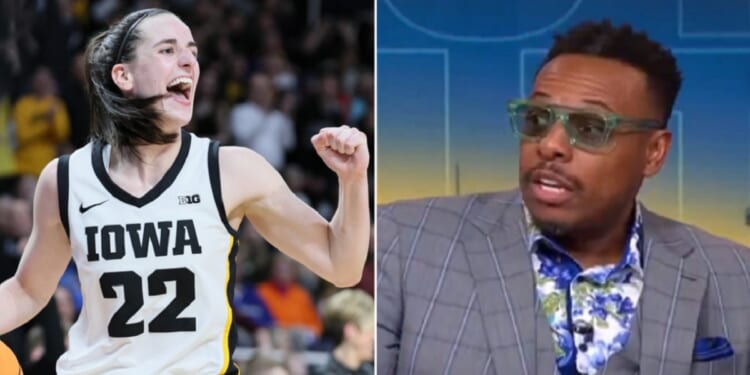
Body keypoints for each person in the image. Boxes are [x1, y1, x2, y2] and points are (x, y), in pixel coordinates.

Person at [0, 8, 370, 375]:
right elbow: (27, 291)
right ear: (123, 75)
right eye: (168, 50)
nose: (189, 62)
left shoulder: (232, 170)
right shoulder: (65, 178)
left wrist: (352, 181)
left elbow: (342, 265)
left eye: (192, 52)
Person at [377, 20, 750, 375]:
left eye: (589, 128)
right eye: (538, 118)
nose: (550, 145)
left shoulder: (736, 275)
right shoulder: (405, 242)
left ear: (654, 153)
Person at [313, 289, 374, 375]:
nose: (374, 338)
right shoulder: (326, 372)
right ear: (350, 331)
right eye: (371, 330)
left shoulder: (370, 370)